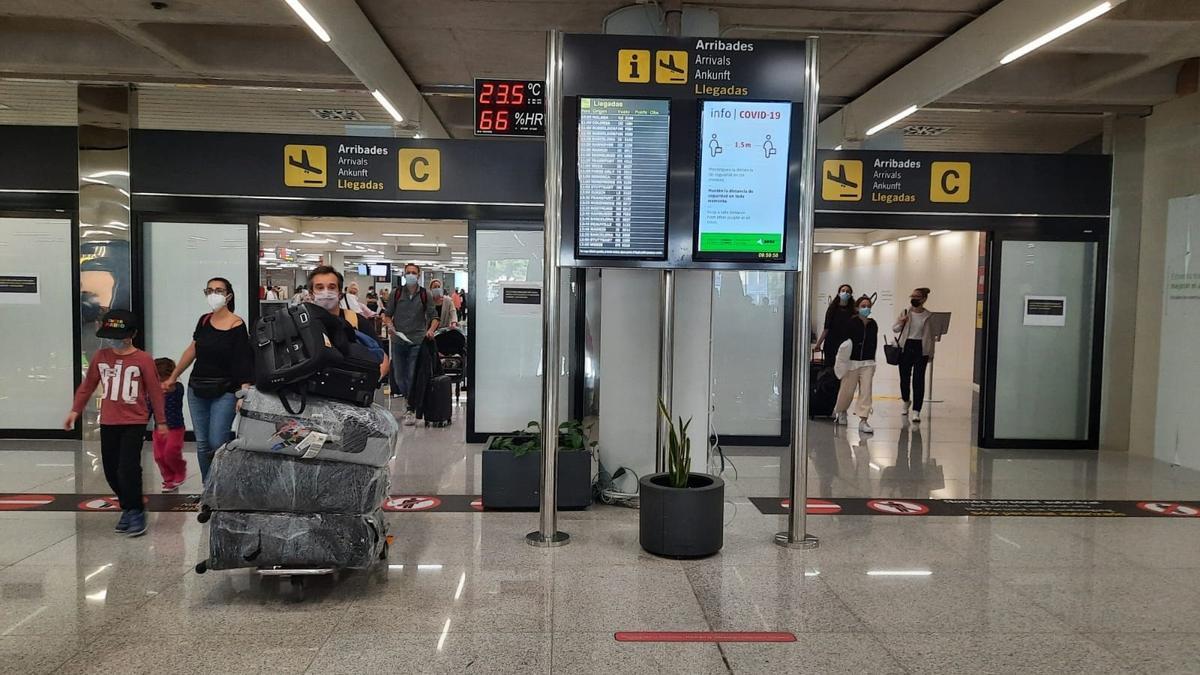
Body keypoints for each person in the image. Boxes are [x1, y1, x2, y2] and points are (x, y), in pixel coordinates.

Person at [64, 310, 166, 537]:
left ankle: (136, 510)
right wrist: (75, 410)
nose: (114, 341)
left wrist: (161, 421)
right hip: (109, 420)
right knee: (111, 470)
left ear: (132, 335)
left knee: (128, 468)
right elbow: (88, 386)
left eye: (119, 336)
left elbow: (155, 392)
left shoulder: (143, 359)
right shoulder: (101, 357)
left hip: (134, 420)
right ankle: (128, 505)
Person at [161, 277, 254, 483]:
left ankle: (221, 486)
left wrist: (244, 392)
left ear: (228, 295)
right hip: (197, 388)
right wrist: (173, 376)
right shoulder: (204, 320)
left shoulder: (237, 324)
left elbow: (242, 360)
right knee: (202, 443)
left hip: (225, 390)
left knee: (217, 441)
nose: (214, 294)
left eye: (219, 290)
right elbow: (192, 350)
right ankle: (208, 488)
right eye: (210, 290)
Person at [307, 266, 390, 381]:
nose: (326, 292)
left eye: (332, 287)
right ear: (311, 294)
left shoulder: (355, 320)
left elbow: (383, 358)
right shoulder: (304, 323)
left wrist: (369, 383)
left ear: (340, 294)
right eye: (320, 288)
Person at [383, 263, 439, 425]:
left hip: (417, 340)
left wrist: (431, 330)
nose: (411, 275)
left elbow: (434, 316)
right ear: (403, 274)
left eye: (414, 273)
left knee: (412, 374)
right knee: (400, 377)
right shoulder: (396, 293)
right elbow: (388, 315)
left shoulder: (424, 294)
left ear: (419, 275)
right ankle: (409, 399)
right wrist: (390, 326)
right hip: (398, 340)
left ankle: (411, 406)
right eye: (408, 272)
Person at [833, 295, 878, 434]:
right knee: (847, 389)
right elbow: (844, 343)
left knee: (866, 391)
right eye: (863, 306)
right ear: (857, 308)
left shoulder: (873, 324)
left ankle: (863, 420)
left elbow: (873, 342)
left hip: (868, 362)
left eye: (868, 306)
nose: (866, 308)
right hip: (852, 362)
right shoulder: (851, 323)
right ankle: (841, 411)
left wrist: (872, 359)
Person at [893, 286, 936, 423]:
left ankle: (917, 410)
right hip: (906, 346)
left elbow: (930, 336)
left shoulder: (929, 316)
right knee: (904, 378)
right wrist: (901, 321)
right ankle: (906, 400)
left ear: (924, 299)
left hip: (921, 348)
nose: (914, 299)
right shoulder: (906, 312)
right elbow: (895, 329)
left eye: (917, 297)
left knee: (919, 380)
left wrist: (930, 352)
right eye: (912, 297)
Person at [152, 357, 188, 492]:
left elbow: (176, 392)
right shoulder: (152, 391)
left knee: (171, 452)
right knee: (159, 456)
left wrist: (169, 385)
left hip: (175, 428)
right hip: (158, 429)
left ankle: (180, 470)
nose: (161, 384)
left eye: (164, 380)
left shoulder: (177, 388)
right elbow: (149, 408)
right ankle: (168, 478)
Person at [815, 283, 856, 365]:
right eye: (843, 291)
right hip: (831, 343)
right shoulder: (832, 309)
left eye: (848, 291)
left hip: (846, 344)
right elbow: (826, 328)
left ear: (851, 295)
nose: (845, 293)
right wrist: (819, 344)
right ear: (839, 293)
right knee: (830, 368)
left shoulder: (853, 310)